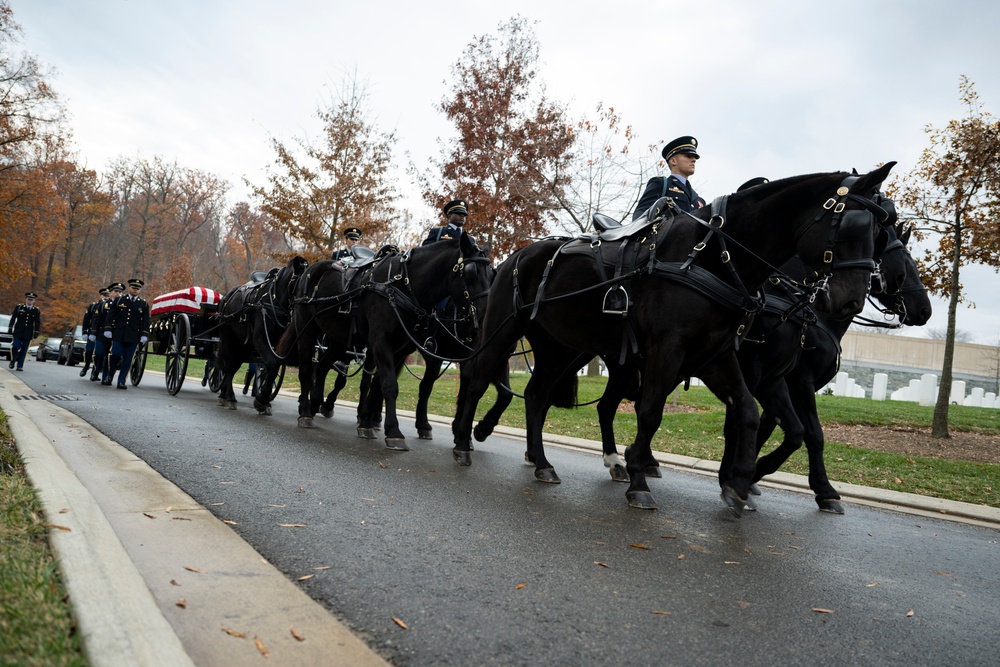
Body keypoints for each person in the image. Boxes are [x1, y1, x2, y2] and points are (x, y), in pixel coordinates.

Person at [633, 136, 706, 221]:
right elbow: (641, 215)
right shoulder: (661, 184)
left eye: (694, 157)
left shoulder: (699, 200)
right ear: (673, 161)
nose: (694, 160)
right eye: (688, 156)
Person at [102, 278, 150, 389]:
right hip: (118, 334)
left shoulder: (143, 304)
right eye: (133, 288)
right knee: (115, 354)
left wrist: (144, 334)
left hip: (133, 336)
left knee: (128, 359)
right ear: (129, 288)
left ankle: (121, 381)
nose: (135, 290)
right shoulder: (120, 301)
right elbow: (111, 316)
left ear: (140, 290)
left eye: (137, 289)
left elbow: (145, 321)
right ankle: (111, 374)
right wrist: (108, 329)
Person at [91, 283, 124, 382]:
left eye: (120, 292)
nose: (118, 294)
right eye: (116, 291)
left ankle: (106, 377)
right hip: (102, 334)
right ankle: (96, 370)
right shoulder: (103, 305)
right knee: (100, 354)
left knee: (113, 357)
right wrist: (93, 332)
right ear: (110, 293)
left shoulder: (123, 305)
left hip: (116, 335)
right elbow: (96, 319)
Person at [80, 286, 111, 377]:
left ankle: (95, 370)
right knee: (89, 350)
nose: (105, 297)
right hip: (92, 332)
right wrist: (85, 332)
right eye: (104, 295)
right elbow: (86, 320)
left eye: (107, 296)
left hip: (101, 333)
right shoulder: (93, 306)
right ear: (100, 295)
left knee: (99, 353)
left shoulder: (108, 306)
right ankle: (86, 366)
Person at [7, 292, 41, 372]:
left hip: (28, 333)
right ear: (26, 299)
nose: (30, 301)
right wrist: (10, 327)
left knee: (24, 350)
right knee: (15, 346)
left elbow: (37, 322)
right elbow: (13, 317)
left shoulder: (36, 310)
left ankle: (20, 365)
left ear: (34, 301)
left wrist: (36, 331)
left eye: (31, 300)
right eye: (28, 299)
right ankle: (13, 359)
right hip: (18, 331)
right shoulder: (20, 307)